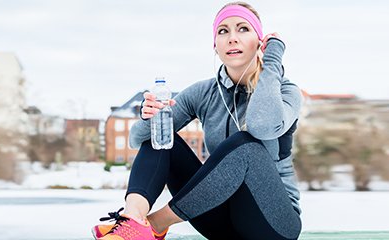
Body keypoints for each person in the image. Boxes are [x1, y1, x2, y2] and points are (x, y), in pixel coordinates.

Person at [92, 2, 303, 239]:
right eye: (223, 31)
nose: (232, 38)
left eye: (243, 29)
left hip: (273, 224)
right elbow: (137, 139)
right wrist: (149, 116)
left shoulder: (286, 93)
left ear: (259, 41)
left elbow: (261, 125)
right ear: (216, 46)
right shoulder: (203, 92)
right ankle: (132, 223)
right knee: (161, 137)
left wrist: (272, 58)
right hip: (220, 220)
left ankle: (156, 223)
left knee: (246, 145)